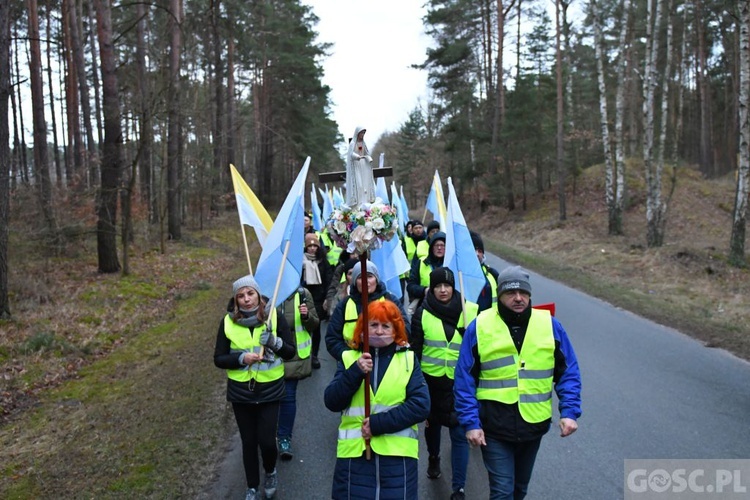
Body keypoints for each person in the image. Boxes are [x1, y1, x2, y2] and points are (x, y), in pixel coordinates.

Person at [453, 266, 582, 500]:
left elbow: (568, 372)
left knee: (519, 490)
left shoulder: (550, 325)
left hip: (533, 424)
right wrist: (470, 423)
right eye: (511, 293)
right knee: (502, 491)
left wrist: (570, 412)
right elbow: (464, 379)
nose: (518, 298)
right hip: (493, 426)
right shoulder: (480, 326)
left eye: (523, 293)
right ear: (499, 295)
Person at [324, 300, 431, 500]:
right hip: (354, 458)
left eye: (385, 326)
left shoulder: (408, 360)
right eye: (373, 325)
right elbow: (332, 401)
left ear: (396, 329)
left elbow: (421, 405)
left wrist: (377, 424)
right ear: (363, 328)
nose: (379, 331)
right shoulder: (349, 359)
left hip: (397, 460)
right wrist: (355, 372)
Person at [213, 275, 297, 500]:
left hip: (270, 389)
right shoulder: (228, 322)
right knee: (249, 442)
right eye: (241, 296)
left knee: (268, 442)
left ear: (259, 295)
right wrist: (241, 358)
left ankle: (270, 471)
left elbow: (290, 352)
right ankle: (252, 486)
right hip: (241, 391)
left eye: (250, 294)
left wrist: (274, 342)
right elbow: (219, 359)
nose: (246, 299)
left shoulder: (274, 317)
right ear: (235, 300)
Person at [410, 267, 478, 500]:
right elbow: (415, 350)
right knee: (433, 427)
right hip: (431, 384)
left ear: (454, 287)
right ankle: (433, 456)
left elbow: (481, 350)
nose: (442, 290)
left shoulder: (471, 311)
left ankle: (458, 487)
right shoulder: (423, 312)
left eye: (447, 285)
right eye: (438, 286)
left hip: (461, 386)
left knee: (460, 433)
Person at [325, 260, 411, 362]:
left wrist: (388, 351)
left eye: (370, 276)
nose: (366, 281)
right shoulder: (344, 305)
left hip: (386, 360)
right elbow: (332, 339)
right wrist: (351, 358)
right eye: (361, 277)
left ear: (376, 279)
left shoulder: (390, 300)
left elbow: (405, 330)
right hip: (353, 365)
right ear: (354, 282)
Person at [277, 286, 319, 461]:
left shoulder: (302, 294)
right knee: (268, 399)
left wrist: (306, 316)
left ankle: (284, 438)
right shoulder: (266, 292)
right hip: (271, 355)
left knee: (288, 397)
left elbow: (315, 324)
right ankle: (266, 435)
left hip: (294, 355)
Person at [302, 232, 333, 369]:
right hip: (304, 299)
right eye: (310, 246)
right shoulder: (301, 262)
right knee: (303, 328)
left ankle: (314, 355)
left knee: (316, 328)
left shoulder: (323, 262)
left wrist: (328, 298)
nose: (312, 249)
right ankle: (304, 354)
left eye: (315, 246)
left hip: (319, 300)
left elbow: (328, 280)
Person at [406, 231, 446, 314]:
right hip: (425, 307)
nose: (439, 248)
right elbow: (410, 286)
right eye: (436, 245)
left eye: (442, 245)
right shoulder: (421, 263)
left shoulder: (452, 265)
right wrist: (424, 290)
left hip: (447, 308)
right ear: (431, 247)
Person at [345, 126, 376, 207]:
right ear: (357, 133)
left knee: (365, 183)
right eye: (361, 133)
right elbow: (350, 154)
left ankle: (366, 201)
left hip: (364, 165)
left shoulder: (363, 143)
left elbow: (366, 152)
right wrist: (356, 156)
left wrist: (368, 157)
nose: (362, 135)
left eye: (363, 133)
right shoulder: (352, 143)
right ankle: (358, 203)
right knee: (359, 184)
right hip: (356, 166)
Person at [470, 231, 500, 312]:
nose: (477, 254)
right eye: (474, 250)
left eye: (479, 251)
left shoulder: (492, 274)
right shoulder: (458, 275)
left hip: (488, 322)